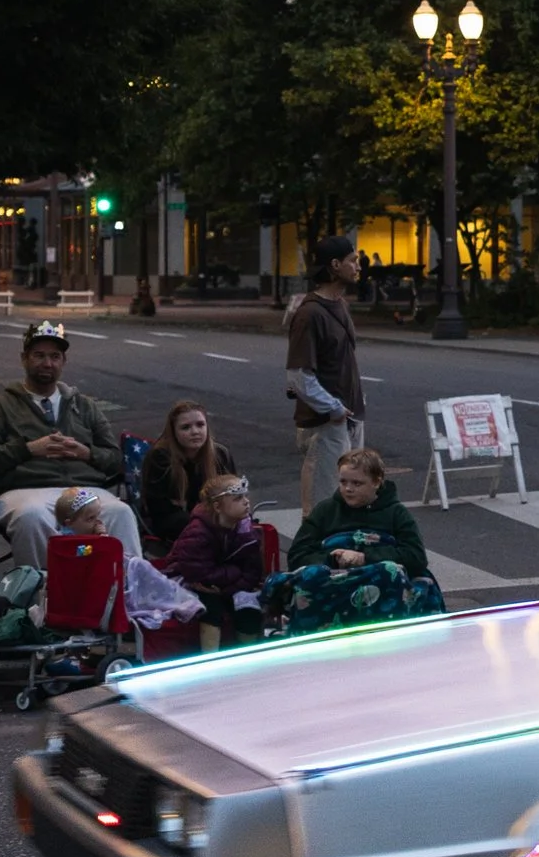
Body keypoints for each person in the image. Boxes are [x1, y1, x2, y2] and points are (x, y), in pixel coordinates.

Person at [0, 322, 142, 576]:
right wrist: (27, 449)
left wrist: (85, 453)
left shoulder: (84, 405)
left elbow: (115, 460)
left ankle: (126, 594)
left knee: (120, 512)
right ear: (24, 359)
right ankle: (43, 593)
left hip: (84, 490)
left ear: (63, 362)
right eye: (39, 355)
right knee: (31, 517)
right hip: (25, 489)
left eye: (54, 356)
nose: (47, 363)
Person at [279, 446, 446, 631]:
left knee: (388, 571)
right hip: (334, 577)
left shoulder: (396, 513)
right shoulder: (325, 511)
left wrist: (363, 558)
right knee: (309, 577)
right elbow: (297, 555)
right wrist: (334, 559)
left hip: (376, 576)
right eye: (343, 482)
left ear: (376, 482)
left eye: (357, 483)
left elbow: (416, 557)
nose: (348, 489)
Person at [286, 234, 366, 517]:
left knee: (351, 501)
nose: (358, 266)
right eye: (353, 261)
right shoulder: (310, 314)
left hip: (348, 417)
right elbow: (298, 375)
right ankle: (314, 559)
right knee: (321, 507)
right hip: (325, 424)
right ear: (335, 265)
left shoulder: (340, 305)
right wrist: (333, 409)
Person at [162, 474, 272, 641]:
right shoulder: (197, 532)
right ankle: (210, 657)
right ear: (217, 506)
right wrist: (233, 575)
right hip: (194, 583)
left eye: (245, 496)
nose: (246, 501)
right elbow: (198, 572)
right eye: (238, 498)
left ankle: (248, 658)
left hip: (228, 584)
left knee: (249, 609)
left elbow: (252, 571)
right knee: (211, 609)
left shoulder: (246, 531)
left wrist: (229, 589)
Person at [138, 400, 237, 552]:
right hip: (174, 521)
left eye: (200, 425)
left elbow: (234, 495)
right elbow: (160, 509)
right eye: (186, 427)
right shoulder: (160, 458)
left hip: (216, 517)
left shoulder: (220, 454)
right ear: (174, 431)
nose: (195, 431)